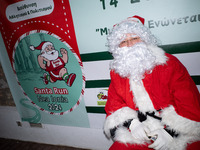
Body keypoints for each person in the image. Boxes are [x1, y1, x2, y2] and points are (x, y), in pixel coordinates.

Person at [103, 15, 200, 150]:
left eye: (134, 38)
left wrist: (170, 133)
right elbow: (114, 104)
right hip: (140, 127)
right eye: (123, 41)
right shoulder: (117, 71)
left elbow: (189, 102)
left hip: (175, 128)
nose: (130, 44)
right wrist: (132, 124)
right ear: (117, 47)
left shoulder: (169, 64)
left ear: (145, 40)